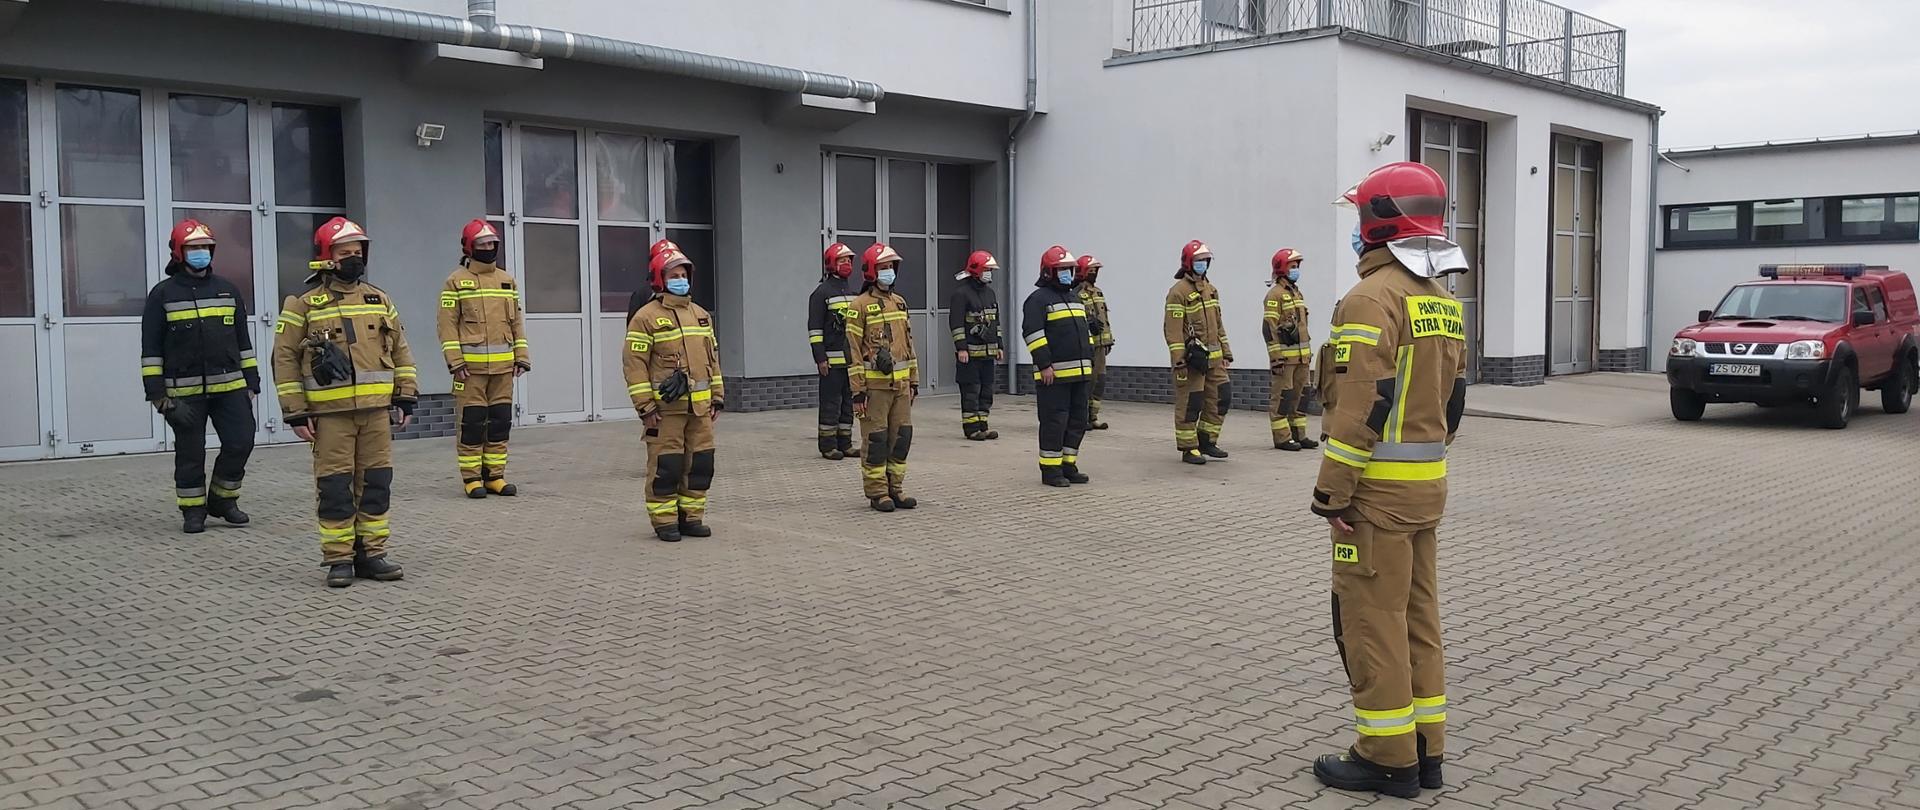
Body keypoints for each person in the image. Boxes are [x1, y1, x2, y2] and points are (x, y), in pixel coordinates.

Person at [1311, 161, 1470, 798]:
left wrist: (1332, 495)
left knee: (1371, 620)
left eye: (1358, 217)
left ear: (1378, 222)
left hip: (1372, 499)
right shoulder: (1438, 298)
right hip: (1426, 490)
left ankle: (1385, 757)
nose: (1354, 229)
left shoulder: (1371, 299)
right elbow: (1452, 403)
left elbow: (1360, 407)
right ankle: (1427, 752)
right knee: (1418, 619)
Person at [272, 217, 417, 588]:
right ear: (326, 257)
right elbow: (284, 359)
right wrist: (295, 412)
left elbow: (401, 349)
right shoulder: (302, 304)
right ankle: (339, 559)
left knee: (375, 483)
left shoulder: (379, 298)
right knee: (335, 486)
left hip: (375, 413)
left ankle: (373, 554)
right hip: (329, 416)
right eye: (344, 252)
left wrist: (406, 395)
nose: (353, 258)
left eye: (357, 252)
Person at [139, 219, 259, 534]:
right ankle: (193, 510)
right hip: (183, 393)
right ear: (179, 252)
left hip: (231, 387)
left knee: (241, 441)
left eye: (205, 247)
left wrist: (252, 383)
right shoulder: (162, 295)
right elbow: (151, 350)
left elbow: (243, 342)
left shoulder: (227, 290)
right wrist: (158, 397)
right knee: (190, 453)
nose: (201, 253)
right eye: (194, 248)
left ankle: (223, 500)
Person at [624, 247, 724, 543]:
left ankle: (691, 517)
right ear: (660, 279)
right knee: (666, 466)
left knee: (700, 463)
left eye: (684, 275)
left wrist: (717, 396)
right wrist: (645, 406)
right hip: (665, 411)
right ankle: (665, 521)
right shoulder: (645, 317)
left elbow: (713, 360)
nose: (681, 280)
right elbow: (634, 365)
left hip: (700, 409)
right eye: (674, 275)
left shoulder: (701, 315)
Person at [437, 219, 530, 498]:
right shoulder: (455, 282)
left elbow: (517, 323)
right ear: (469, 247)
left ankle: (495, 477)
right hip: (470, 371)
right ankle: (471, 478)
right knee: (472, 423)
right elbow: (447, 325)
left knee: (500, 422)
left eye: (492, 244)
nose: (488, 249)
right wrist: (456, 362)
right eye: (482, 244)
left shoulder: (506, 280)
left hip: (503, 370)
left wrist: (521, 356)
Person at [845, 243, 919, 512]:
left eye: (891, 267)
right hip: (874, 389)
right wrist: (857, 392)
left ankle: (896, 489)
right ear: (872, 271)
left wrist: (913, 381)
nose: (889, 272)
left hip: (900, 388)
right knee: (876, 441)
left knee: (901, 438)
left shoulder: (899, 303)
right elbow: (852, 351)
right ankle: (877, 493)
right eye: (884, 267)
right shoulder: (858, 306)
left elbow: (909, 345)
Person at [1022, 245, 1095, 486]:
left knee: (1078, 421)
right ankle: (1051, 470)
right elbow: (1033, 334)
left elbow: (1085, 334)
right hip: (1054, 376)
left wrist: (1090, 362)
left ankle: (1068, 464)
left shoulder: (1075, 298)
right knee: (1055, 422)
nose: (1068, 273)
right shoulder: (1037, 300)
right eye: (1062, 269)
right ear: (1049, 272)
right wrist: (1044, 365)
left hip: (1081, 374)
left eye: (1069, 269)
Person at [1162, 239, 1233, 465]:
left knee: (1222, 396)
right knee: (1191, 403)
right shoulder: (1178, 292)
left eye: (1206, 260)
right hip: (1192, 361)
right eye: (1199, 260)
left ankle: (1206, 440)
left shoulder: (1211, 290)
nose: (1203, 264)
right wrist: (1179, 360)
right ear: (1189, 263)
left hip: (1214, 360)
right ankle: (1189, 447)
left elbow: (1219, 325)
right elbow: (1172, 331)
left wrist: (1226, 353)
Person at [808, 243, 860, 459]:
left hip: (850, 362)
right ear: (831, 264)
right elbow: (815, 330)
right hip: (830, 361)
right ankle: (828, 446)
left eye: (849, 260)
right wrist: (820, 358)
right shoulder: (821, 293)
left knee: (848, 404)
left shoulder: (852, 292)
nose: (846, 264)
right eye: (842, 260)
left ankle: (845, 443)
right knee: (830, 404)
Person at [949, 250, 1004, 440]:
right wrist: (961, 348)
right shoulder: (961, 294)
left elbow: (996, 322)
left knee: (986, 392)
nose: (989, 273)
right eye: (987, 269)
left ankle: (983, 426)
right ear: (976, 270)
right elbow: (956, 324)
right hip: (970, 355)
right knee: (971, 391)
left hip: (988, 354)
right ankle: (971, 429)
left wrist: (1000, 346)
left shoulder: (990, 293)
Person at [1265, 248, 1317, 451]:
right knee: (1282, 398)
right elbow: (1269, 329)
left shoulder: (1297, 293)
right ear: (1282, 269)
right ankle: (1282, 438)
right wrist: (1276, 357)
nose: (1296, 270)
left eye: (1297, 266)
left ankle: (1299, 435)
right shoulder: (1275, 295)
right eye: (1292, 266)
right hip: (1285, 361)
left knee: (1301, 397)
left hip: (1302, 359)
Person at [1075, 254, 1114, 430]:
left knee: (1099, 382)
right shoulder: (1076, 293)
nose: (1094, 273)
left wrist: (1108, 340)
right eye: (1091, 270)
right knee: (1087, 382)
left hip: (1101, 346)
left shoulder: (1098, 292)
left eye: (1096, 270)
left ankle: (1093, 416)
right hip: (1086, 346)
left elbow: (1104, 317)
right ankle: (1081, 418)